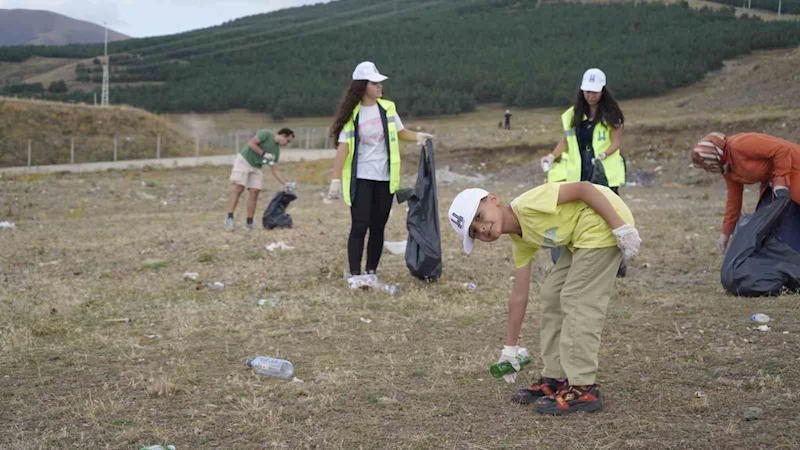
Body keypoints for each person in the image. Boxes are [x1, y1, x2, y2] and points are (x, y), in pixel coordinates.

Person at [447, 181, 641, 415]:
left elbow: (584, 190)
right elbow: (519, 295)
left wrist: (620, 228)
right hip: (581, 235)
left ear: (493, 199)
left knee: (576, 298)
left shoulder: (528, 205)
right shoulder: (520, 240)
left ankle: (583, 387)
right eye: (474, 232)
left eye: (478, 216)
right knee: (552, 294)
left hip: (604, 221)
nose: (482, 228)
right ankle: (555, 377)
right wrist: (510, 349)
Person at [327, 61, 432, 280]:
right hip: (361, 178)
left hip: (385, 179)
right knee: (360, 225)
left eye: (380, 83)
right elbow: (343, 148)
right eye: (375, 83)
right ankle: (355, 274)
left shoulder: (387, 108)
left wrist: (418, 137)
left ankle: (371, 272)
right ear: (363, 86)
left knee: (378, 226)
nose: (380, 86)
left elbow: (401, 132)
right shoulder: (353, 115)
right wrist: (335, 180)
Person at [541, 68, 628, 276]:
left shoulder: (612, 114)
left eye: (595, 92)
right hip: (580, 175)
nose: (591, 96)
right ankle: (584, 262)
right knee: (581, 218)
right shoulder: (573, 115)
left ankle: (618, 264)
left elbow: (616, 142)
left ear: (603, 91)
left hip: (604, 174)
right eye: (587, 91)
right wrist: (553, 156)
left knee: (610, 217)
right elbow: (566, 141)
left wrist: (604, 155)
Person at [691, 132, 800, 253]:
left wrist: (780, 181)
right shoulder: (727, 167)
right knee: (766, 224)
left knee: (788, 222)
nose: (708, 170)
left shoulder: (740, 144)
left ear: (711, 157)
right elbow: (734, 198)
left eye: (706, 166)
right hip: (774, 185)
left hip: (793, 169)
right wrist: (726, 232)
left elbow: (782, 149)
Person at [224, 128, 295, 232]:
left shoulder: (276, 152)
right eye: (288, 140)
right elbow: (251, 144)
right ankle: (229, 219)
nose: (287, 144)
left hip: (256, 167)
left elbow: (275, 170)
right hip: (244, 161)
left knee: (255, 191)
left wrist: (286, 183)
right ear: (283, 135)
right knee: (239, 188)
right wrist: (263, 154)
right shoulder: (266, 134)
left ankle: (249, 222)